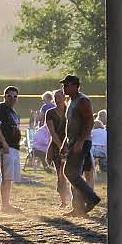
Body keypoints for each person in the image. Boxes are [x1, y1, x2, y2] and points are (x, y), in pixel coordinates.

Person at [60, 75, 101, 215]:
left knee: (70, 172)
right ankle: (78, 207)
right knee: (74, 174)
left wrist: (81, 141)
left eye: (67, 85)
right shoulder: (71, 100)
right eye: (63, 85)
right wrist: (65, 142)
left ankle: (91, 198)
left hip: (81, 143)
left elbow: (89, 122)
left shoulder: (82, 100)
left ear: (76, 86)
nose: (64, 87)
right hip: (74, 142)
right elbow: (70, 124)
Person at [0, 85, 23, 214]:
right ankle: (5, 205)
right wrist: (3, 142)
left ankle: (7, 203)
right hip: (6, 147)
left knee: (10, 177)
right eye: (9, 96)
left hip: (13, 147)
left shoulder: (12, 111)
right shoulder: (0, 108)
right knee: (6, 176)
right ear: (4, 96)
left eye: (15, 96)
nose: (12, 99)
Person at [44, 88, 70, 208]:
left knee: (74, 172)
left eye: (59, 97)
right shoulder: (50, 113)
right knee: (60, 173)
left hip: (71, 144)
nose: (56, 99)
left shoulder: (69, 111)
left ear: (65, 98)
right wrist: (61, 146)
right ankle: (64, 200)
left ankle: (77, 198)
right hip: (56, 145)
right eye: (55, 97)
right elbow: (52, 132)